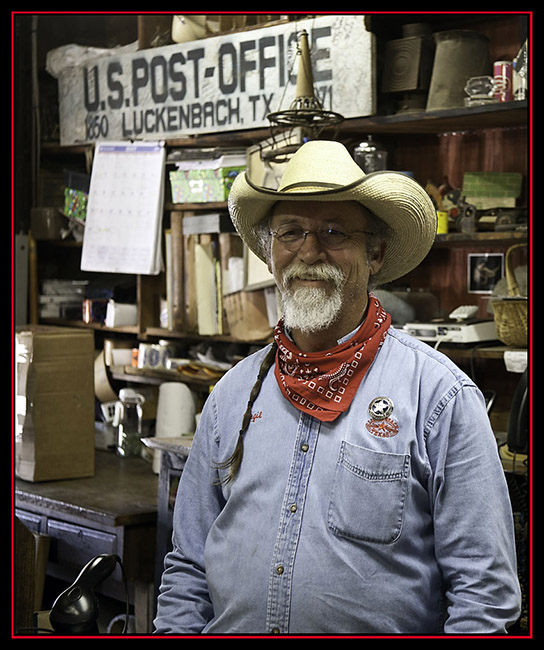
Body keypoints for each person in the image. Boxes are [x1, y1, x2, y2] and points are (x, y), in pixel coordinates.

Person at [154, 140, 521, 636]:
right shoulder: (231, 396)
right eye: (290, 232)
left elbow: (484, 594)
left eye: (334, 232)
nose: (309, 251)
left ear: (375, 254)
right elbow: (188, 568)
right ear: (269, 253)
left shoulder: (439, 397)